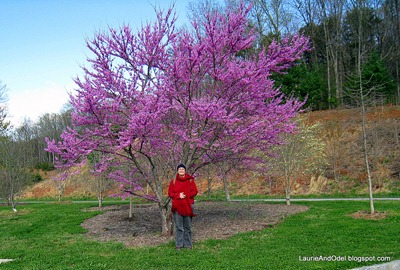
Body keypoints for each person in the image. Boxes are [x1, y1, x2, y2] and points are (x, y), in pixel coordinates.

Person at [168, 163, 198, 251]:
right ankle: (179, 245)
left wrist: (187, 195)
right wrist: (178, 195)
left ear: (185, 170)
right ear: (177, 171)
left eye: (183, 169)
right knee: (179, 227)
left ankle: (188, 244)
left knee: (187, 226)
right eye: (180, 169)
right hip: (178, 206)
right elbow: (170, 193)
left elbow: (195, 191)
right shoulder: (173, 181)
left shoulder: (190, 180)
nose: (181, 170)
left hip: (188, 205)